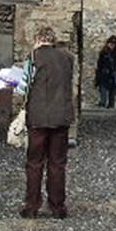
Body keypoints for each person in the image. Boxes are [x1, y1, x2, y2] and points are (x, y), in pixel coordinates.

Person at [21, 25, 75, 219]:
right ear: (53, 40)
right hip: (61, 116)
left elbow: (23, 88)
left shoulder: (33, 58)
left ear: (37, 39)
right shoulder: (68, 58)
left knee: (34, 162)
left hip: (37, 118)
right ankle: (58, 207)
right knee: (58, 163)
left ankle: (32, 206)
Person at [94, 35, 116, 108]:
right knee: (103, 88)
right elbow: (99, 64)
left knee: (112, 90)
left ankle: (111, 104)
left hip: (112, 74)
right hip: (104, 73)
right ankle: (103, 102)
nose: (112, 45)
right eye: (111, 44)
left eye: (113, 44)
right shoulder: (103, 53)